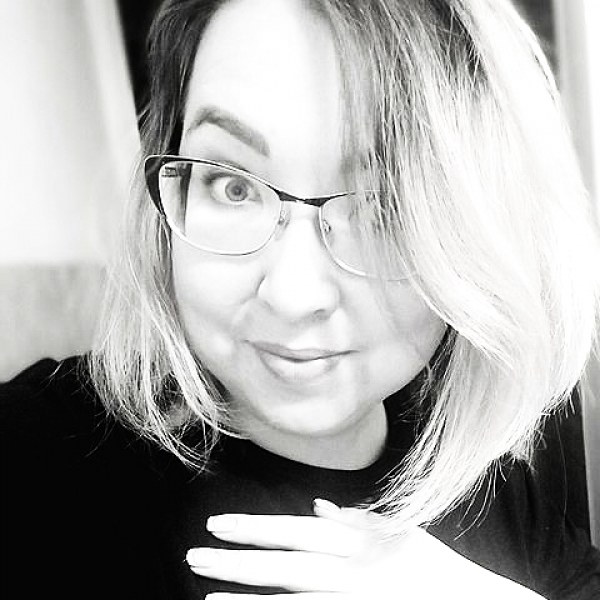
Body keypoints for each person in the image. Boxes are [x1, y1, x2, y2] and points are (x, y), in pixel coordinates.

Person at [2, 0, 600, 598]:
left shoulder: (484, 483)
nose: (292, 296)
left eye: (384, 206)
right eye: (232, 185)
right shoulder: (44, 457)